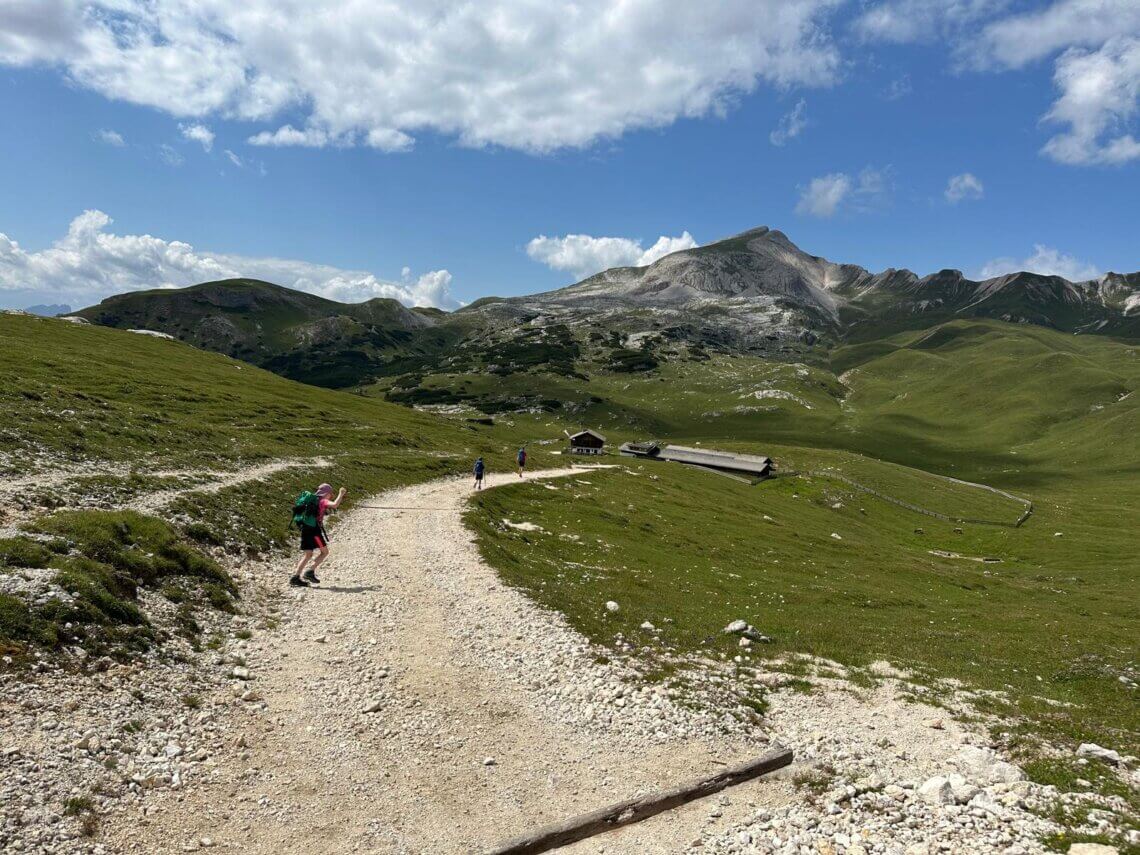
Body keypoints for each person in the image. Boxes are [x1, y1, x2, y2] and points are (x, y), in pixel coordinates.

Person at [291, 483, 346, 587]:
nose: (331, 496)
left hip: (305, 529)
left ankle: (295, 577)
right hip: (314, 531)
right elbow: (334, 505)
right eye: (331, 494)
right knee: (325, 552)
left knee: (308, 554)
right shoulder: (322, 501)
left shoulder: (311, 500)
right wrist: (341, 494)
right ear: (327, 493)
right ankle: (310, 571)